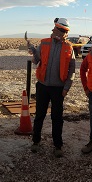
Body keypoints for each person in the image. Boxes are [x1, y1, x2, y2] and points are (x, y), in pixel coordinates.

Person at [29, 18, 77, 157]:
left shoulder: (69, 47)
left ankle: (58, 145)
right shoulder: (44, 43)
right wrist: (33, 52)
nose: (54, 31)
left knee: (57, 118)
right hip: (43, 86)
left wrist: (66, 88)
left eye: (57, 29)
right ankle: (36, 141)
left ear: (64, 32)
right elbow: (37, 61)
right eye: (55, 28)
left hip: (58, 89)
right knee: (40, 115)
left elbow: (72, 70)